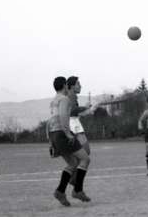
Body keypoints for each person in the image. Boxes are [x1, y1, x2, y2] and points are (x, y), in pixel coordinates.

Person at [48, 76, 91, 207]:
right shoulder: (64, 99)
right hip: (62, 133)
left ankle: (60, 191)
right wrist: (67, 133)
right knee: (85, 159)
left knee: (72, 163)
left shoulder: (53, 101)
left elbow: (50, 121)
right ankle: (77, 190)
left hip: (54, 134)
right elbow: (63, 116)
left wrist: (50, 141)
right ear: (65, 86)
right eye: (67, 85)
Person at [66, 76, 94, 191]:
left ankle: (73, 177)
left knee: (85, 152)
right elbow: (72, 111)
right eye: (78, 84)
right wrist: (85, 107)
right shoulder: (70, 96)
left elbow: (74, 112)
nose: (80, 86)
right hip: (73, 125)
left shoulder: (72, 96)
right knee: (85, 152)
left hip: (75, 123)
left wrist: (85, 111)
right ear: (72, 86)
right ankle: (72, 177)